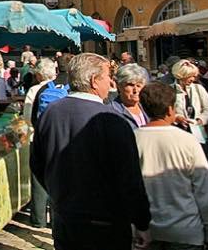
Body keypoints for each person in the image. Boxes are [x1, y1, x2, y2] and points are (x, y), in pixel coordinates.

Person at [31, 53, 151, 250]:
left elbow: (37, 163)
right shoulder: (112, 119)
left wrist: (59, 192)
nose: (110, 82)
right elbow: (129, 177)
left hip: (65, 217)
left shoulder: (51, 112)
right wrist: (142, 222)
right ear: (95, 81)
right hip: (104, 223)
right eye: (107, 77)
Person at [135, 82, 208, 250]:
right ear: (171, 110)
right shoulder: (188, 140)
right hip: (186, 230)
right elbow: (203, 190)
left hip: (146, 230)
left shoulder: (132, 139)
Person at [21, 58, 57, 229]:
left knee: (38, 179)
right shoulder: (63, 87)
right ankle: (56, 218)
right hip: (58, 139)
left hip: (38, 138)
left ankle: (38, 219)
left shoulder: (35, 90)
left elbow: (27, 118)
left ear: (40, 74)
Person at [171, 60, 208, 172]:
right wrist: (177, 118)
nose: (193, 79)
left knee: (203, 160)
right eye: (190, 76)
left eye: (194, 76)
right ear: (181, 76)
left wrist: (200, 120)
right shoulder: (170, 90)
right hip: (179, 133)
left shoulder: (198, 89)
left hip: (199, 131)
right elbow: (167, 112)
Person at [109, 63, 150, 129]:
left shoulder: (148, 107)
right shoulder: (111, 111)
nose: (135, 90)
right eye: (130, 85)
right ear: (119, 85)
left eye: (139, 85)